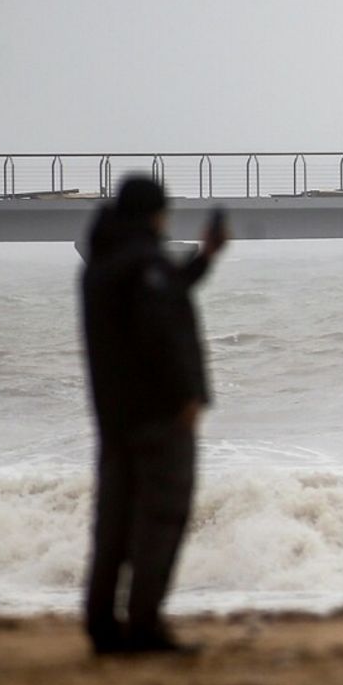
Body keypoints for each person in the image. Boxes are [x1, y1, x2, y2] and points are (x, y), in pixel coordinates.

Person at [80, 177, 228, 655]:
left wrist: (204, 259)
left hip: (114, 417)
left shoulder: (103, 265)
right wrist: (188, 397)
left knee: (115, 522)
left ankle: (101, 625)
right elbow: (161, 332)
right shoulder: (144, 265)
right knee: (162, 517)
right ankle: (144, 626)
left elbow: (164, 291)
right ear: (153, 214)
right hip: (157, 419)